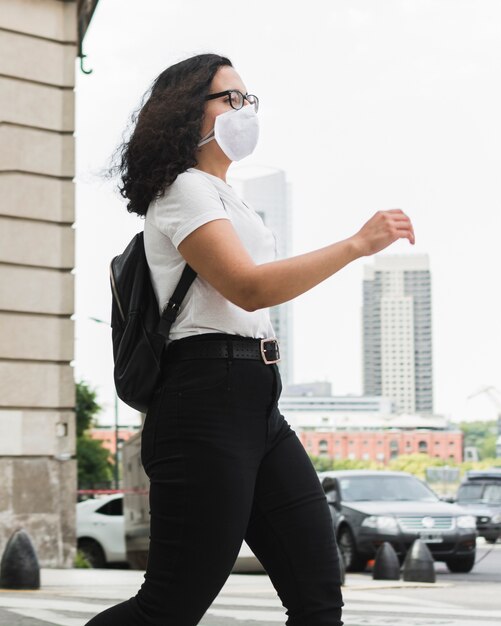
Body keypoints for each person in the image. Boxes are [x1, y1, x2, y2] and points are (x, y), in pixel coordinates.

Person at [86, 52, 415, 626]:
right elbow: (249, 288)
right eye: (230, 98)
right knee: (169, 605)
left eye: (248, 99)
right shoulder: (183, 190)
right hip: (204, 399)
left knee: (317, 598)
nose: (245, 109)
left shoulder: (226, 195)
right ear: (189, 111)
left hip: (257, 398)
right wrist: (358, 244)